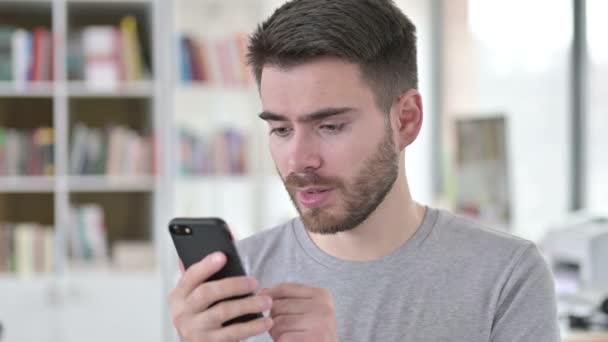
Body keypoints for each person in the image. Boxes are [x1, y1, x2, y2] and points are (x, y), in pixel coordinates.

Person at [168, 0, 560, 341]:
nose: (298, 159)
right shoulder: (237, 283)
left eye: (330, 126)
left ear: (406, 120)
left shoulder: (506, 275)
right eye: (281, 129)